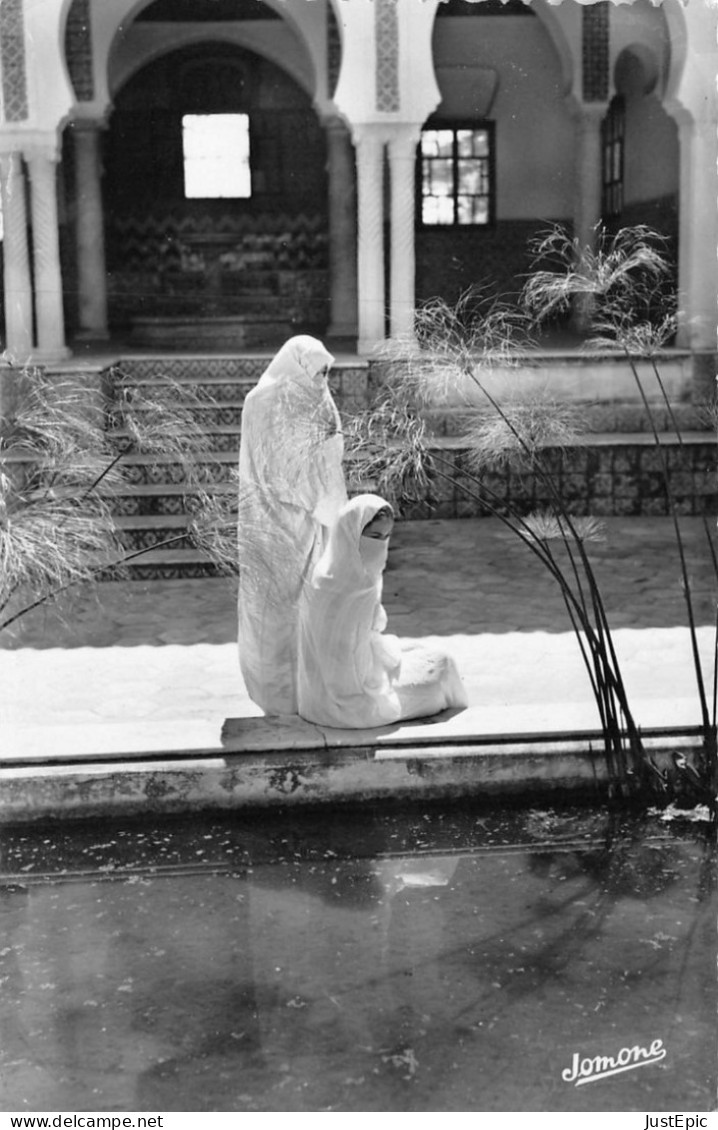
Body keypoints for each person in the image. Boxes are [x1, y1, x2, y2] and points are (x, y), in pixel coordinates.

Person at [238, 335, 347, 714]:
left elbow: (330, 448)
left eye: (326, 372)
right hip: (271, 520)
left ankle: (307, 692)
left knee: (308, 605)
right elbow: (272, 463)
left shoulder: (316, 395)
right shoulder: (261, 401)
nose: (322, 379)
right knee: (273, 609)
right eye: (318, 371)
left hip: (308, 522)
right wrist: (318, 498)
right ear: (298, 364)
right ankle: (276, 697)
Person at [297, 494, 468, 729]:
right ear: (352, 534)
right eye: (375, 537)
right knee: (442, 665)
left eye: (386, 537)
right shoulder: (357, 586)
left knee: (421, 651)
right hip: (348, 708)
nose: (381, 545)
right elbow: (353, 676)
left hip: (313, 702)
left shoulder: (324, 573)